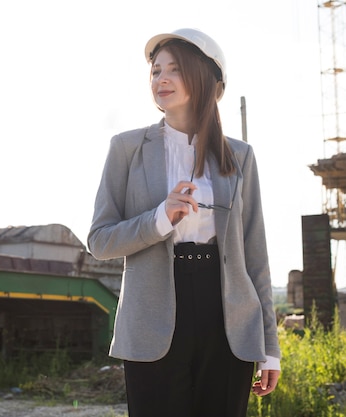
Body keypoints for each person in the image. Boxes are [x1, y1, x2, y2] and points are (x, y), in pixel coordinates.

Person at [87, 28, 281, 417]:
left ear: (205, 77)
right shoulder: (126, 148)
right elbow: (100, 241)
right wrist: (160, 218)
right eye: (156, 71)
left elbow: (254, 254)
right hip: (152, 315)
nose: (161, 80)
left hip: (228, 319)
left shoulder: (240, 156)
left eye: (174, 69)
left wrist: (269, 348)